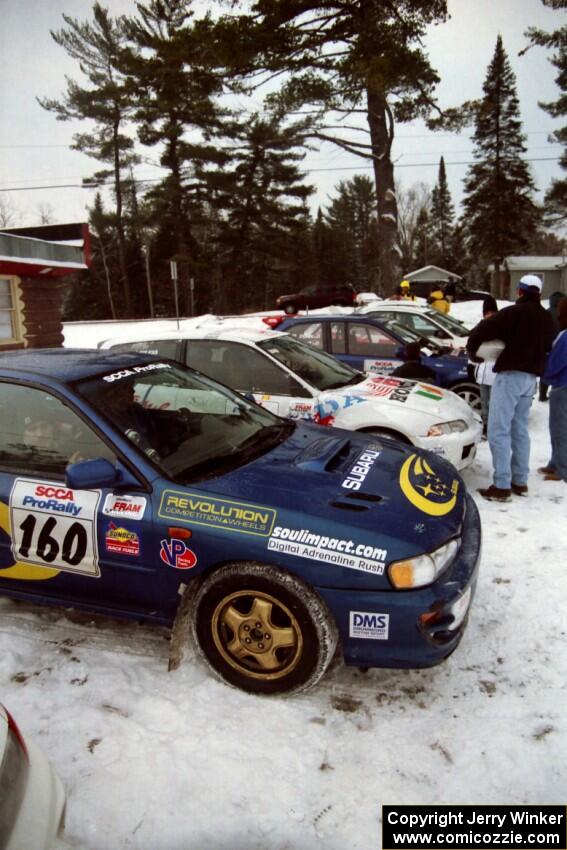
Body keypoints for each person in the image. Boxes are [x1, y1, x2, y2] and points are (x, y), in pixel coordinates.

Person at [467, 274, 555, 501]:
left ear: (519, 291)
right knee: (519, 430)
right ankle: (520, 481)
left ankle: (502, 485)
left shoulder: (513, 313)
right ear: (539, 294)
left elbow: (483, 329)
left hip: (510, 376)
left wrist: (474, 351)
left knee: (498, 430)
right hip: (530, 381)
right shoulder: (547, 319)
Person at [539, 297, 567, 483]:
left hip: (562, 386)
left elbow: (556, 363)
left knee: (560, 428)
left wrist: (543, 371)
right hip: (562, 386)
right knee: (556, 427)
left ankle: (562, 469)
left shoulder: (566, 336)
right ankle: (555, 462)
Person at [469, 296, 499, 436]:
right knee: (485, 403)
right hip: (482, 373)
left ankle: (494, 429)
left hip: (496, 375)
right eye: (487, 313)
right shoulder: (479, 329)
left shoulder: (502, 328)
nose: (489, 316)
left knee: (494, 405)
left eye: (492, 313)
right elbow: (471, 347)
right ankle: (487, 427)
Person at [539, 290, 564, 401]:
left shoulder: (546, 312)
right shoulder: (563, 312)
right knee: (560, 368)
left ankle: (542, 394)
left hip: (548, 345)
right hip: (561, 343)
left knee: (546, 369)